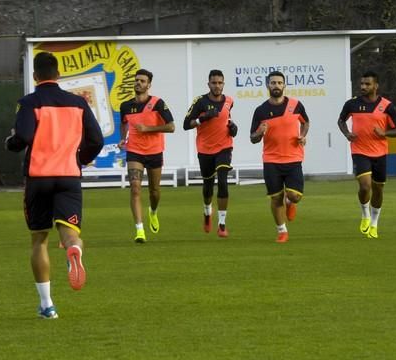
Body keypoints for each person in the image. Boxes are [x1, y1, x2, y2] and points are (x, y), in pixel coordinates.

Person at [5, 51, 103, 319]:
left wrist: (10, 143)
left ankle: (47, 305)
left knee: (39, 240)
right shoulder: (78, 103)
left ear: (36, 76)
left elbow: (22, 136)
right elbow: (96, 140)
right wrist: (79, 158)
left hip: (39, 177)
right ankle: (74, 249)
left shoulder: (29, 102)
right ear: (58, 75)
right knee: (70, 232)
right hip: (68, 176)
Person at [337, 70, 396, 239]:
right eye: (362, 84)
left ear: (376, 86)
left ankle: (374, 223)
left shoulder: (387, 106)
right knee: (365, 186)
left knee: (378, 189)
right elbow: (341, 120)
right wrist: (347, 133)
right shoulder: (352, 104)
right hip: (360, 151)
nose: (363, 87)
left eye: (367, 84)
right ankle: (365, 214)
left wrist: (385, 133)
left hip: (380, 153)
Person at [250, 70, 309, 243]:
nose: (276, 86)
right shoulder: (261, 111)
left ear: (284, 85)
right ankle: (282, 231)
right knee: (276, 198)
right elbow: (252, 138)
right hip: (271, 160)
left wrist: (303, 135)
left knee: (294, 195)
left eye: (279, 83)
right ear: (267, 85)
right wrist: (259, 133)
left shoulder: (296, 105)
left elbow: (305, 122)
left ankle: (290, 203)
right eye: (273, 83)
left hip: (293, 158)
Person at [119, 68, 175, 243]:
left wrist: (148, 129)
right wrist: (123, 139)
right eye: (136, 80)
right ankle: (139, 230)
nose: (138, 83)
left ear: (149, 85)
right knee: (135, 188)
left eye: (142, 81)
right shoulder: (126, 106)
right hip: (134, 151)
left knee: (154, 192)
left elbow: (171, 126)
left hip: (154, 152)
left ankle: (153, 211)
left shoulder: (158, 103)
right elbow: (124, 124)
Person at [183, 69, 238, 237]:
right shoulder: (200, 101)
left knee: (222, 181)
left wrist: (233, 128)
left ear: (223, 84)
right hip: (205, 149)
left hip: (224, 147)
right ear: (208, 84)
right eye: (214, 83)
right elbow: (186, 124)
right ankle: (207, 212)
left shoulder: (229, 100)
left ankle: (222, 224)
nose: (217, 86)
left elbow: (228, 120)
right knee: (208, 187)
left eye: (220, 83)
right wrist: (203, 118)